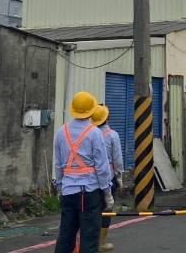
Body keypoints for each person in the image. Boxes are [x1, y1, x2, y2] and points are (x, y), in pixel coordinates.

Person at [54, 91, 114, 253]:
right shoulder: (94, 133)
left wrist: (60, 187)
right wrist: (107, 193)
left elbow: (58, 165)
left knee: (66, 236)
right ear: (91, 110)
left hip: (68, 191)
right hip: (88, 193)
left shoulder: (61, 132)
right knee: (89, 238)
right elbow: (102, 168)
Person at [91, 104, 123, 252]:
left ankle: (90, 241)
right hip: (108, 178)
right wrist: (119, 176)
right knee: (107, 209)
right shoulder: (112, 135)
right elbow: (117, 159)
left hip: (91, 179)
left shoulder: (89, 134)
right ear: (107, 118)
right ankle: (102, 243)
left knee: (92, 210)